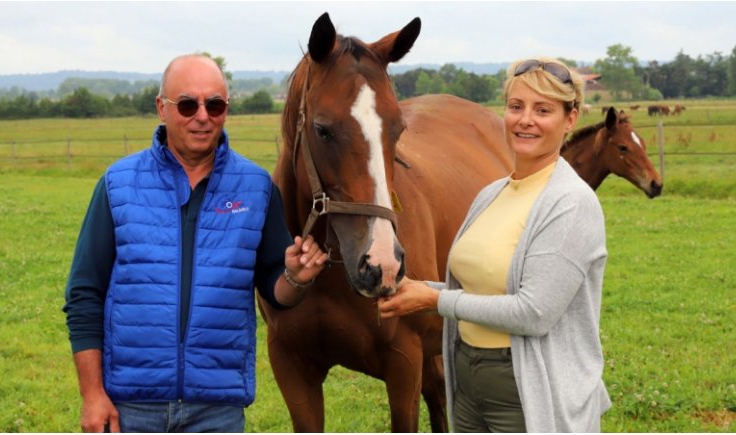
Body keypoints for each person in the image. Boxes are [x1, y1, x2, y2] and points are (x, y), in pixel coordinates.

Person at [62, 53, 328, 433]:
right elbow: (84, 294)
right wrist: (92, 394)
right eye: (187, 105)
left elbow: (277, 289)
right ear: (162, 108)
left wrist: (296, 278)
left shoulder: (256, 188)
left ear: (226, 109)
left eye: (215, 105)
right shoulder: (117, 185)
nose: (202, 116)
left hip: (217, 411)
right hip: (131, 408)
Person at [378, 57, 611, 432]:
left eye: (543, 110)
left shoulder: (571, 203)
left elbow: (533, 313)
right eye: (516, 107)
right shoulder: (492, 194)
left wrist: (434, 299)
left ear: (570, 119)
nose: (525, 120)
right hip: (468, 379)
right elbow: (478, 290)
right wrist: (419, 289)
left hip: (529, 388)